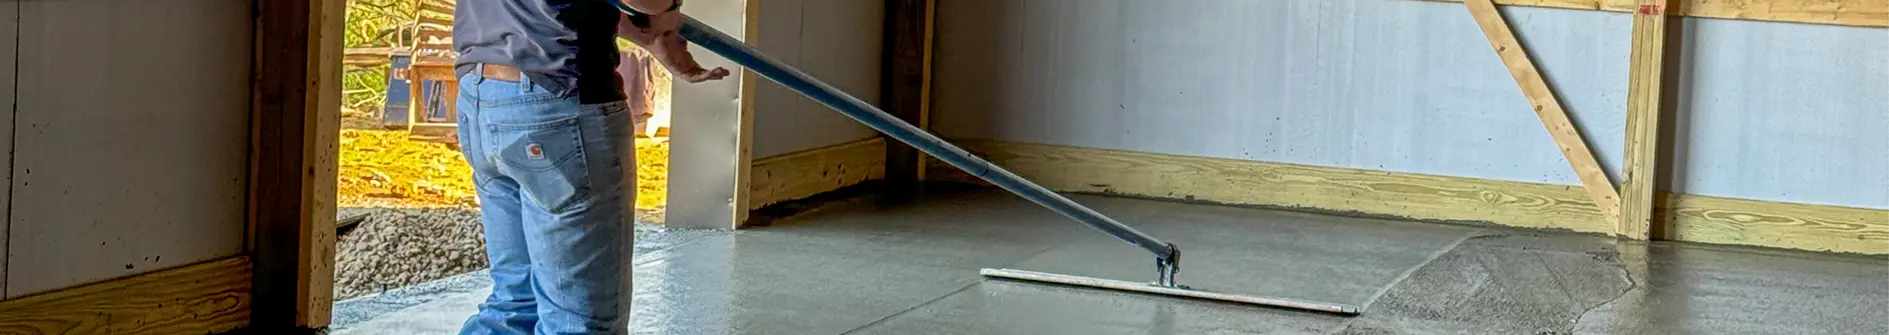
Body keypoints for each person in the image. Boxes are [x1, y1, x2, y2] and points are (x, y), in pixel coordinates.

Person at [450, 0, 727, 333]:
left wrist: (652, 35)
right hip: (556, 104)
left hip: (484, 95)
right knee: (577, 323)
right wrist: (666, 7)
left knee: (514, 306)